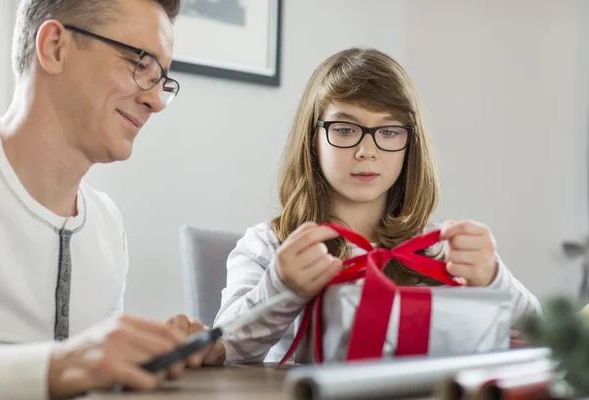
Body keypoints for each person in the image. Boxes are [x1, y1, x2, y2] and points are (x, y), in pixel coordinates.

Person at [214, 47, 542, 363]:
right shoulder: (270, 246)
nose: (367, 150)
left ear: (409, 144)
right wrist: (281, 288)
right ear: (312, 140)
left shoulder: (442, 252)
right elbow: (220, 349)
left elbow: (546, 339)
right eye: (344, 129)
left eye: (388, 131)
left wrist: (493, 279)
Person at [0, 0, 223, 398]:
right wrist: (59, 367)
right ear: (55, 48)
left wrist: (152, 355)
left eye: (161, 78)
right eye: (140, 63)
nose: (156, 101)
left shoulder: (107, 225)